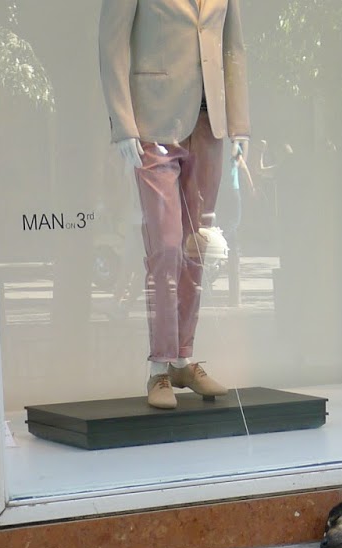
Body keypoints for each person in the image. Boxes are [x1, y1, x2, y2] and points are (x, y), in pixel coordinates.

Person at [99, 0, 250, 410]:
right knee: (165, 247)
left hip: (209, 124)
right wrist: (123, 124)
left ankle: (183, 359)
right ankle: (159, 367)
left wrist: (239, 123)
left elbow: (233, 48)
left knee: (195, 246)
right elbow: (112, 45)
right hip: (153, 124)